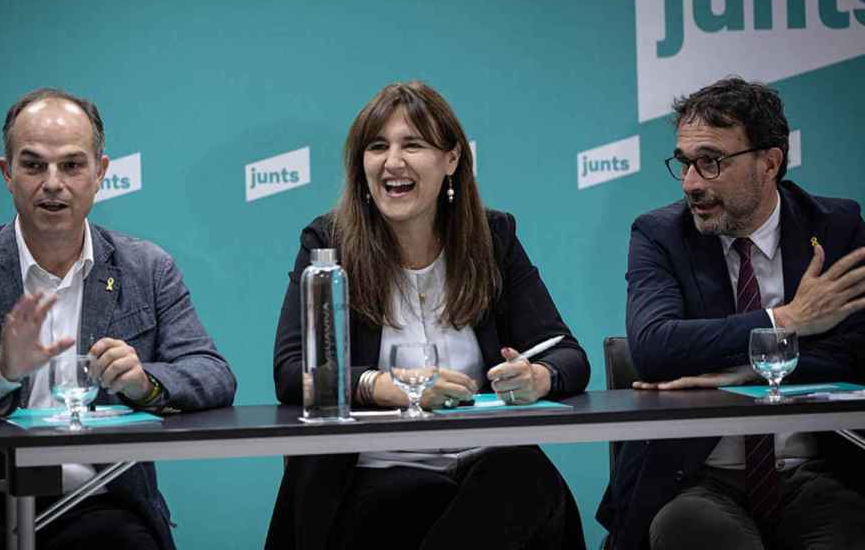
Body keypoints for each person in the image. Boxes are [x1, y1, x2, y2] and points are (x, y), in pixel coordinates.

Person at [0, 88, 237, 550]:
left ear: (100, 174)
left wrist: (143, 382)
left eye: (72, 165)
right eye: (33, 166)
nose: (53, 182)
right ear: (7, 174)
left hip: (103, 502)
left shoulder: (147, 268)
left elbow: (213, 373)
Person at [266, 81, 590, 550]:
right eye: (377, 146)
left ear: (452, 159)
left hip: (486, 465)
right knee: (417, 500)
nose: (392, 162)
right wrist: (388, 386)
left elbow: (568, 356)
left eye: (412, 145)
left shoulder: (494, 238)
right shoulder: (328, 244)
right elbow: (293, 373)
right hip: (373, 471)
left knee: (525, 476)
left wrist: (537, 376)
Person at [596, 77, 865, 550]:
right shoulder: (660, 234)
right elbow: (655, 346)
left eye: (711, 163)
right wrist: (785, 322)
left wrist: (744, 373)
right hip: (696, 478)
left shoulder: (836, 226)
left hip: (819, 472)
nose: (691, 183)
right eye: (684, 164)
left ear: (770, 162)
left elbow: (854, 353)